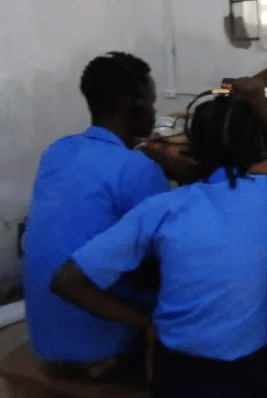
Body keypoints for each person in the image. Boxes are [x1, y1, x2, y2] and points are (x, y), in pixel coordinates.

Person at [51, 76, 267, 398]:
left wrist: (147, 320)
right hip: (248, 371)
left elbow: (66, 281)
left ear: (192, 147)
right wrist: (262, 108)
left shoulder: (162, 208)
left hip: (179, 372)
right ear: (257, 147)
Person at [22, 52, 173, 380]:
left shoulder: (58, 150)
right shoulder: (137, 169)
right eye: (151, 103)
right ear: (133, 106)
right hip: (99, 345)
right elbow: (169, 248)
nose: (154, 112)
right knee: (189, 274)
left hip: (43, 340)